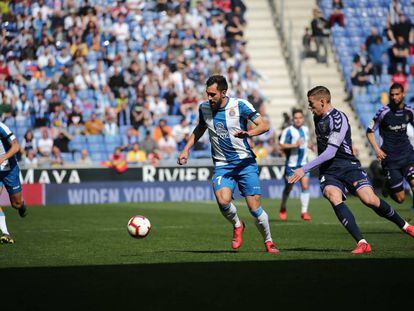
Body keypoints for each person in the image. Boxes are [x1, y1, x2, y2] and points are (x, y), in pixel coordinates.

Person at [289, 86, 414, 254]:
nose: (309, 108)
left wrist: (304, 169)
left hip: (349, 165)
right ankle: (362, 242)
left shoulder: (338, 118)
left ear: (322, 102)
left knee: (369, 200)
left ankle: (405, 226)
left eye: (311, 104)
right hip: (330, 171)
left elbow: (331, 151)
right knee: (333, 196)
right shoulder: (317, 117)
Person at [177, 75, 279, 253]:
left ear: (224, 92)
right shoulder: (204, 108)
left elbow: (264, 126)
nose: (209, 98)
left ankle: (269, 242)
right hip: (222, 164)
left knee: (254, 209)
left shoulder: (240, 105)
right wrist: (186, 149)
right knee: (223, 201)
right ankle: (238, 225)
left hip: (245, 163)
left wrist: (249, 133)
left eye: (212, 94)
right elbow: (200, 128)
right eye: (207, 93)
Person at [366, 83, 414, 208]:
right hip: (391, 159)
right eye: (392, 95)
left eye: (397, 94)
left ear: (403, 94)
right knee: (400, 199)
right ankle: (387, 185)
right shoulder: (383, 112)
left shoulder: (409, 112)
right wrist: (377, 149)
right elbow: (369, 131)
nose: (394, 97)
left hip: (408, 155)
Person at [279, 109, 312, 221]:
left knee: (305, 186)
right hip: (291, 165)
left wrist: (310, 146)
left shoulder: (306, 130)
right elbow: (281, 145)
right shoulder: (288, 131)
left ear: (303, 119)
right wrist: (294, 145)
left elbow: (306, 143)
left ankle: (304, 212)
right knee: (289, 188)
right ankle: (283, 206)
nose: (298, 120)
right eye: (296, 118)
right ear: (293, 119)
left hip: (304, 164)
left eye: (300, 118)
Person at [0, 121, 28, 244]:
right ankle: (5, 233)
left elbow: (16, 146)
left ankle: (21, 206)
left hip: (9, 170)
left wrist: (3, 157)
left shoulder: (2, 127)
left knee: (16, 204)